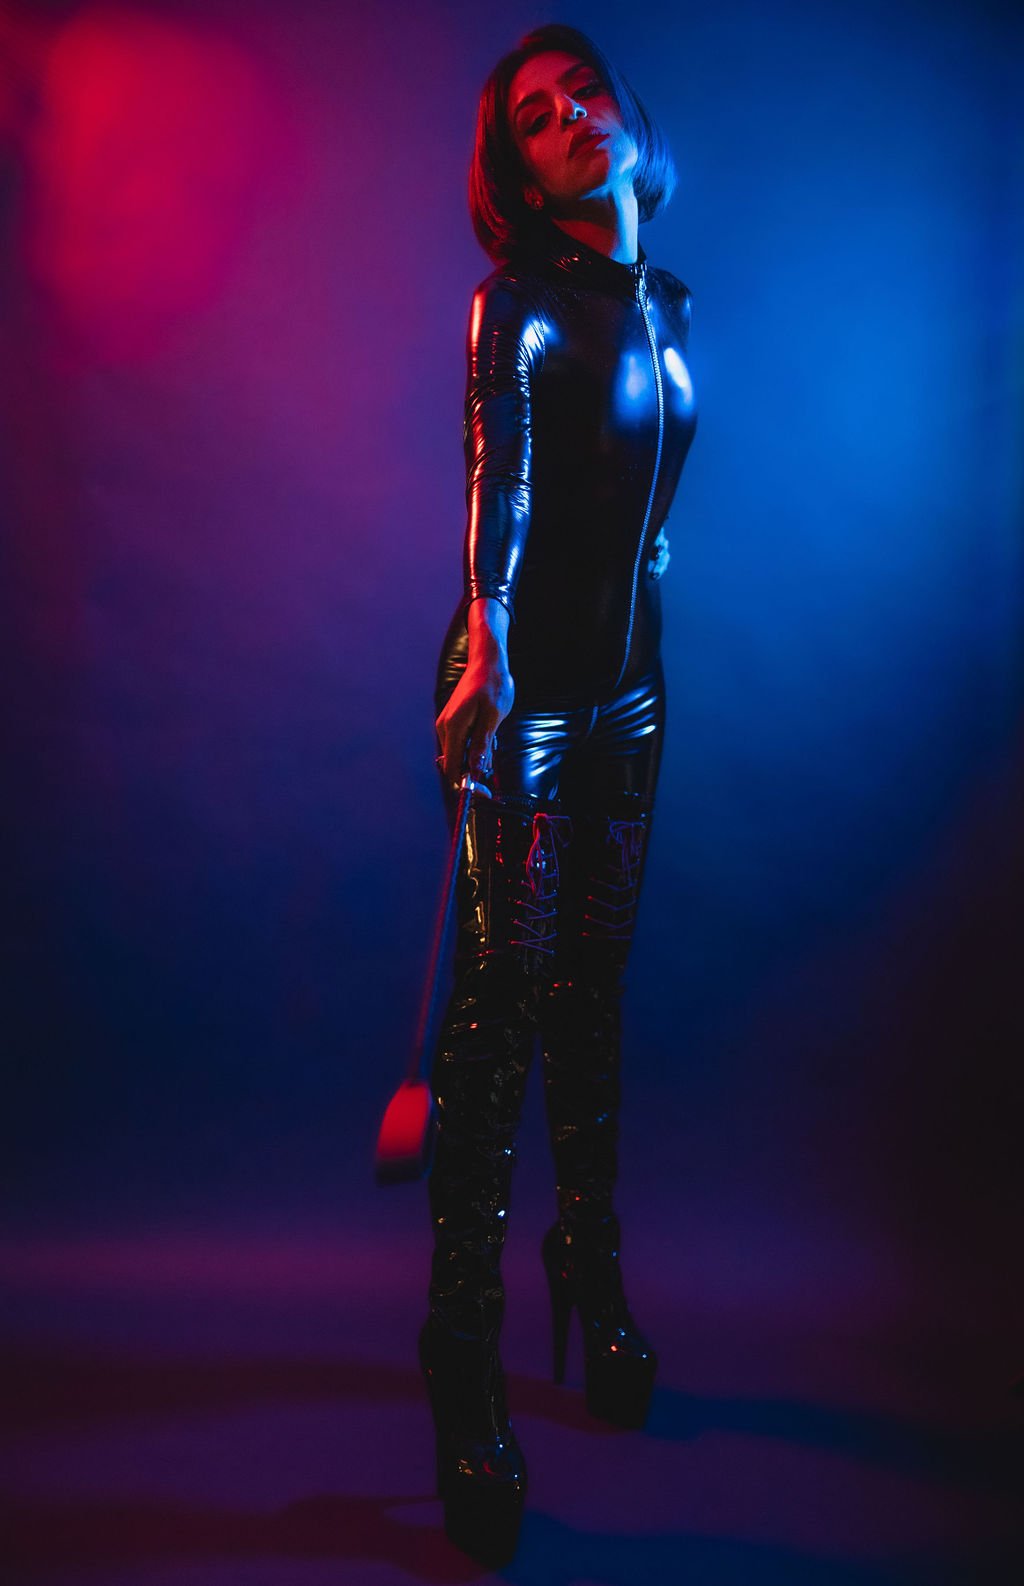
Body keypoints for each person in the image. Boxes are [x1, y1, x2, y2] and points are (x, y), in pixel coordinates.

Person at [419, 21, 698, 1566]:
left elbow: (642, 494)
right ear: (517, 175)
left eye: (583, 90)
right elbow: (503, 473)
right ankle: (462, 1348)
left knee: (596, 986)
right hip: (520, 695)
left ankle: (586, 1258)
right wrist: (488, 641)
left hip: (635, 690)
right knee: (497, 1012)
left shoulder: (664, 300)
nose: (573, 115)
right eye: (536, 115)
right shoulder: (515, 303)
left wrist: (645, 564)